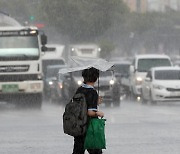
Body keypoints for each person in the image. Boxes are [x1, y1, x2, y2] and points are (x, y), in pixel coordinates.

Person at [72, 67, 104, 154]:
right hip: (89, 127)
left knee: (78, 151)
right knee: (96, 152)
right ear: (96, 78)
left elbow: (81, 106)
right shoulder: (92, 92)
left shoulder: (79, 90)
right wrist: (99, 113)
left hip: (79, 127)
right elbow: (90, 112)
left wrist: (95, 101)